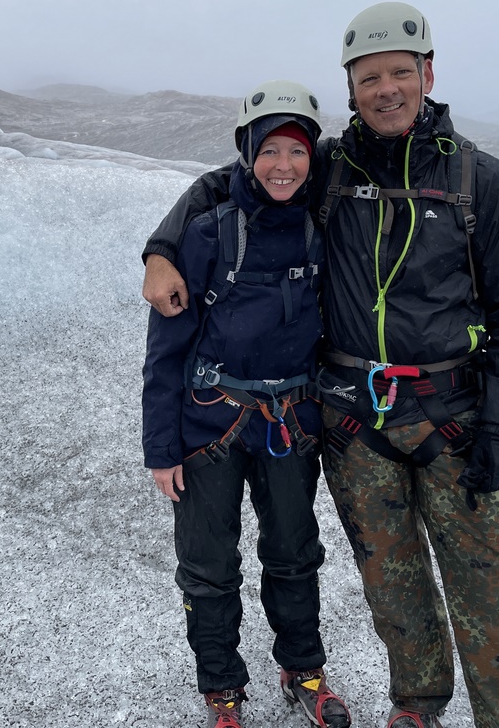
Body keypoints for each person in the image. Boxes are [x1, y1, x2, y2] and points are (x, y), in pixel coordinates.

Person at [141, 2, 499, 728]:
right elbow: (234, 181)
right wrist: (161, 249)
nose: (386, 89)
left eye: (400, 73)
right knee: (393, 587)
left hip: (456, 415)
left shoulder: (479, 180)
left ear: (428, 74)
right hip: (357, 420)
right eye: (369, 78)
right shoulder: (331, 166)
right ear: (351, 88)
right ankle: (416, 705)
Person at [143, 79, 351, 728]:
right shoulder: (208, 233)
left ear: (313, 156)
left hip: (291, 423)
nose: (283, 166)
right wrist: (161, 449)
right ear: (247, 152)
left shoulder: (322, 226)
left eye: (297, 150)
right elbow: (166, 350)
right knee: (208, 566)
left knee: (295, 554)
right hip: (209, 425)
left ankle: (303, 669)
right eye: (269, 151)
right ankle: (223, 690)